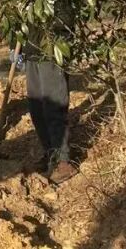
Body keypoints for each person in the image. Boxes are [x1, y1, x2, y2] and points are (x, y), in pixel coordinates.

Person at [18, 43, 77, 184]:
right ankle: (51, 154)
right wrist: (15, 46)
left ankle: (63, 161)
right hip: (31, 53)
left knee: (53, 106)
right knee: (36, 109)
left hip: (50, 52)